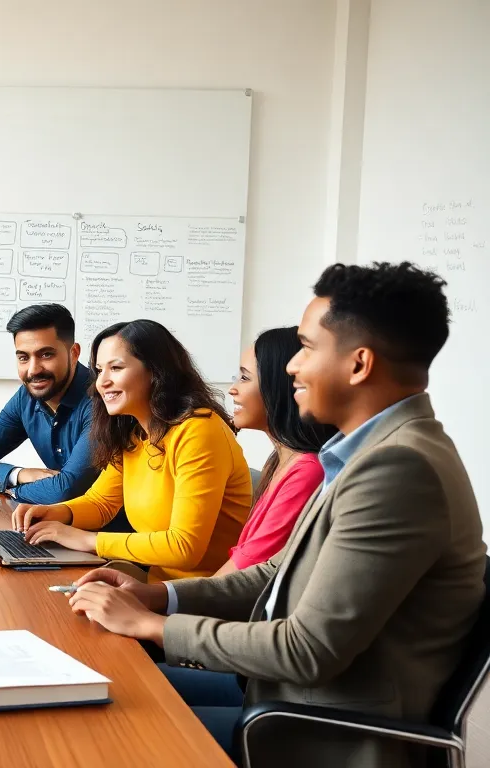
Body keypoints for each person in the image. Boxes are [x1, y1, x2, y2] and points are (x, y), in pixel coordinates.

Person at [62, 262, 484, 766]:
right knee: (93, 689)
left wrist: (150, 626)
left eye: (306, 347)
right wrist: (155, 596)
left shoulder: (397, 469)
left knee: (95, 728)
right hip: (279, 701)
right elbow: (273, 574)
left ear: (359, 364)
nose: (290, 367)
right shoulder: (367, 453)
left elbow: (306, 649)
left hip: (315, 731)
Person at [13, 319, 253, 580]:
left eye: (116, 368)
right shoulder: (133, 431)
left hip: (202, 598)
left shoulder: (198, 431)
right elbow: (101, 502)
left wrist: (88, 540)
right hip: (158, 588)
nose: (101, 383)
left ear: (155, 371)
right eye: (99, 370)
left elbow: (185, 548)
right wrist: (55, 513)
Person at [218, 327, 337, 574]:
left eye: (245, 378)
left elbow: (246, 570)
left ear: (278, 386)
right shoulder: (280, 461)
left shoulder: (307, 472)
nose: (233, 389)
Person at [0, 304, 97, 503]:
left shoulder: (100, 399)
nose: (33, 370)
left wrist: (11, 492)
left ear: (74, 353)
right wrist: (18, 474)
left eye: (46, 354)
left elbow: (65, 490)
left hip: (114, 530)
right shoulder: (26, 398)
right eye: (23, 357)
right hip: (59, 521)